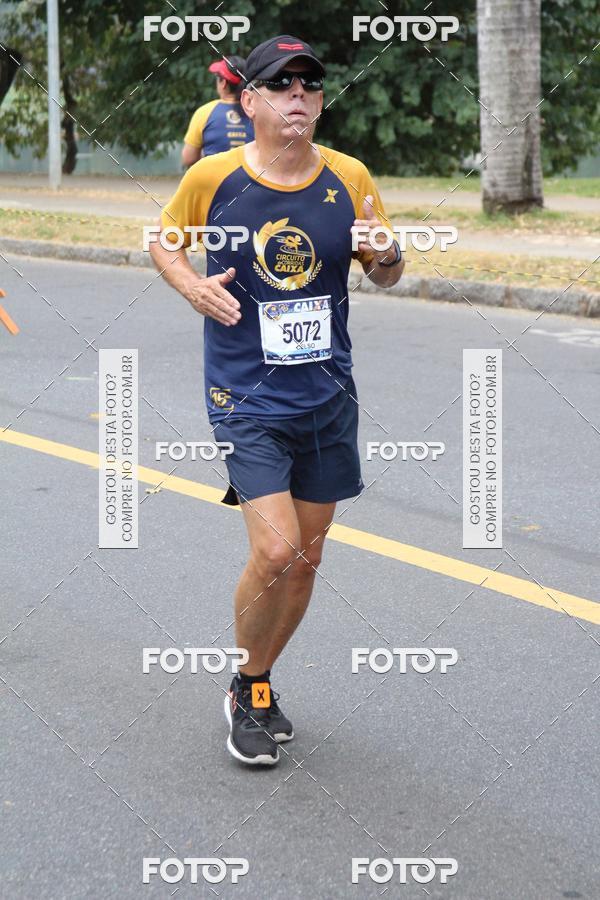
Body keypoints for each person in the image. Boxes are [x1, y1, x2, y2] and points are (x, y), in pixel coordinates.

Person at [150, 35, 404, 766]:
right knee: (277, 547)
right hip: (245, 395)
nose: (299, 95)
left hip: (327, 394)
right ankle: (248, 686)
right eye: (282, 84)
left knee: (309, 555)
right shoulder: (214, 178)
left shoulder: (350, 176)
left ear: (320, 102)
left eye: (310, 85)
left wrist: (385, 254)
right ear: (251, 99)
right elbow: (163, 243)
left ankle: (255, 681)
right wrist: (191, 284)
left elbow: (385, 269)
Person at [181, 55, 254, 167]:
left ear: (223, 83)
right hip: (252, 182)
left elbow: (188, 158)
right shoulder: (257, 111)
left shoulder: (204, 112)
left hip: (215, 183)